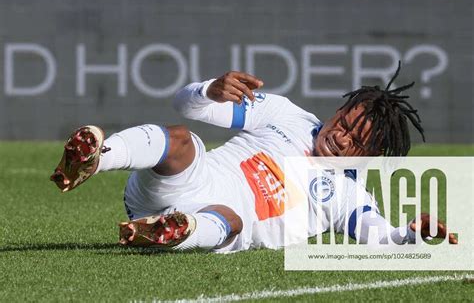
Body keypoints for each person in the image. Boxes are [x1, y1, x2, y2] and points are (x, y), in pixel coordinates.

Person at [50, 65, 456, 252]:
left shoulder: (351, 195)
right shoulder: (287, 114)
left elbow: (381, 236)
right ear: (337, 112)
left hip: (218, 222)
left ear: (369, 155)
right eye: (343, 122)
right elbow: (184, 105)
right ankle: (94, 158)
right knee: (183, 140)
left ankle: (169, 232)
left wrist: (413, 233)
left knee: (231, 219)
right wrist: (209, 90)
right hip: (182, 183)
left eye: (355, 139)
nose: (340, 136)